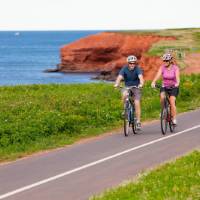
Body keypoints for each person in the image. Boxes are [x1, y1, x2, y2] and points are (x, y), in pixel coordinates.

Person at [114, 55, 144, 130]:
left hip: (136, 87)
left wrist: (141, 84)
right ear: (128, 63)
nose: (132, 64)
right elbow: (120, 77)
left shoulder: (138, 69)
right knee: (124, 94)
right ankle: (125, 110)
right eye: (130, 63)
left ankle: (138, 122)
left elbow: (141, 77)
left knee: (137, 103)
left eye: (133, 63)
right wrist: (117, 83)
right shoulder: (124, 69)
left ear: (135, 63)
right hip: (127, 87)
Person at [151, 53, 180, 125]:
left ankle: (174, 119)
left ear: (170, 61)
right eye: (164, 61)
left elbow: (177, 78)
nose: (165, 62)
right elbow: (158, 75)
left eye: (166, 61)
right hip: (165, 86)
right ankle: (164, 110)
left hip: (174, 87)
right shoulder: (162, 67)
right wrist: (153, 82)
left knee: (172, 101)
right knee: (162, 97)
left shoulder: (175, 68)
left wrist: (177, 84)